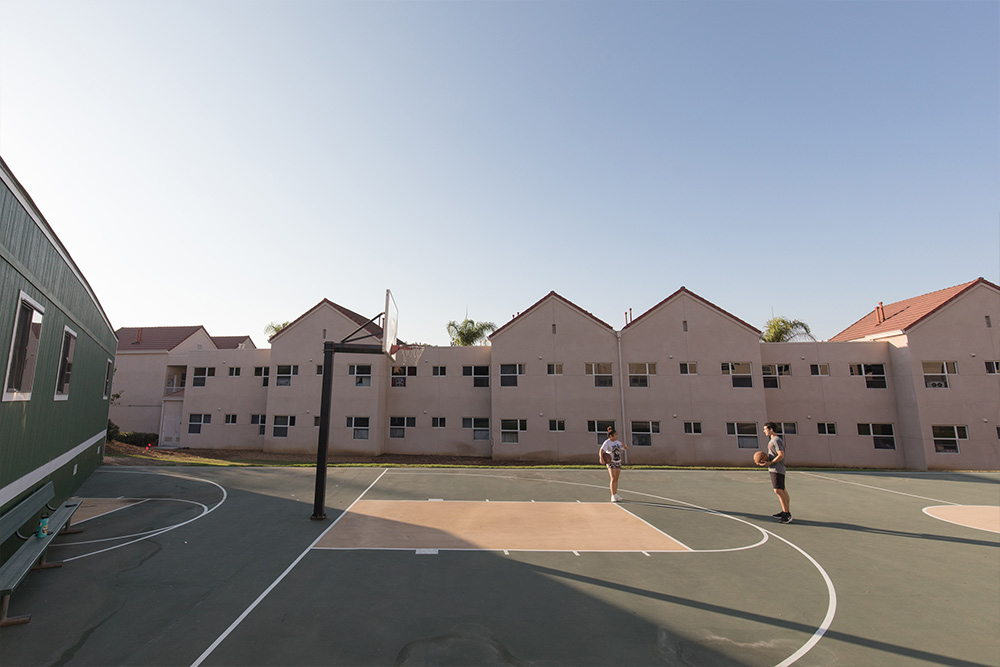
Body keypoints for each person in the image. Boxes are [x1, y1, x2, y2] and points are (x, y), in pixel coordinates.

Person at [757, 421, 791, 523]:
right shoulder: (772, 440)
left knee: (778, 490)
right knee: (782, 490)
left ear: (771, 429)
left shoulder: (776, 440)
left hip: (777, 469)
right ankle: (785, 511)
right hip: (774, 468)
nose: (764, 431)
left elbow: (781, 455)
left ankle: (787, 514)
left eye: (765, 429)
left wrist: (770, 462)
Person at [599, 427, 628, 502]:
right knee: (613, 478)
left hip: (618, 461)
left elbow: (625, 448)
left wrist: (624, 446)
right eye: (615, 435)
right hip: (611, 462)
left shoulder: (618, 442)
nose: (616, 436)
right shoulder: (607, 442)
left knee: (616, 479)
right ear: (611, 436)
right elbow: (601, 450)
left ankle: (616, 494)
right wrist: (601, 458)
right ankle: (613, 495)